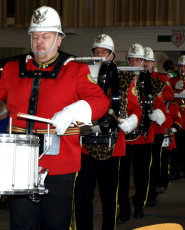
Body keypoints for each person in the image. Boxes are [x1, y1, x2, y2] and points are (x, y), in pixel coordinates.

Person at [0, 6, 109, 230]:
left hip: (60, 164)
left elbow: (100, 102)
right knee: (21, 223)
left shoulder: (76, 70)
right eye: (34, 37)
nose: (39, 42)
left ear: (59, 39)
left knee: (56, 224)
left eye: (45, 36)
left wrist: (73, 111)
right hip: (18, 163)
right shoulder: (12, 68)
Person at [74, 34, 142, 230]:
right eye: (96, 52)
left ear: (112, 56)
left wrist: (132, 120)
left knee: (109, 196)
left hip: (113, 147)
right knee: (82, 195)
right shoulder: (82, 78)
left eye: (103, 52)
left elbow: (136, 109)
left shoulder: (124, 78)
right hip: (85, 146)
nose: (99, 55)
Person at [117, 44, 166, 221]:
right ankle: (123, 209)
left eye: (138, 59)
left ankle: (139, 205)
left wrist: (157, 114)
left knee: (142, 175)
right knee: (121, 176)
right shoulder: (120, 78)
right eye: (131, 59)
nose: (134, 62)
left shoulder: (153, 82)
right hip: (124, 135)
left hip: (144, 136)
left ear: (144, 62)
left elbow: (160, 105)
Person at [143, 47, 173, 206]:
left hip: (157, 126)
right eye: (144, 61)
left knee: (155, 161)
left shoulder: (161, 78)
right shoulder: (135, 76)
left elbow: (170, 94)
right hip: (141, 125)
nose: (145, 64)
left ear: (153, 63)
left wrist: (157, 93)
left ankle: (152, 192)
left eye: (148, 61)